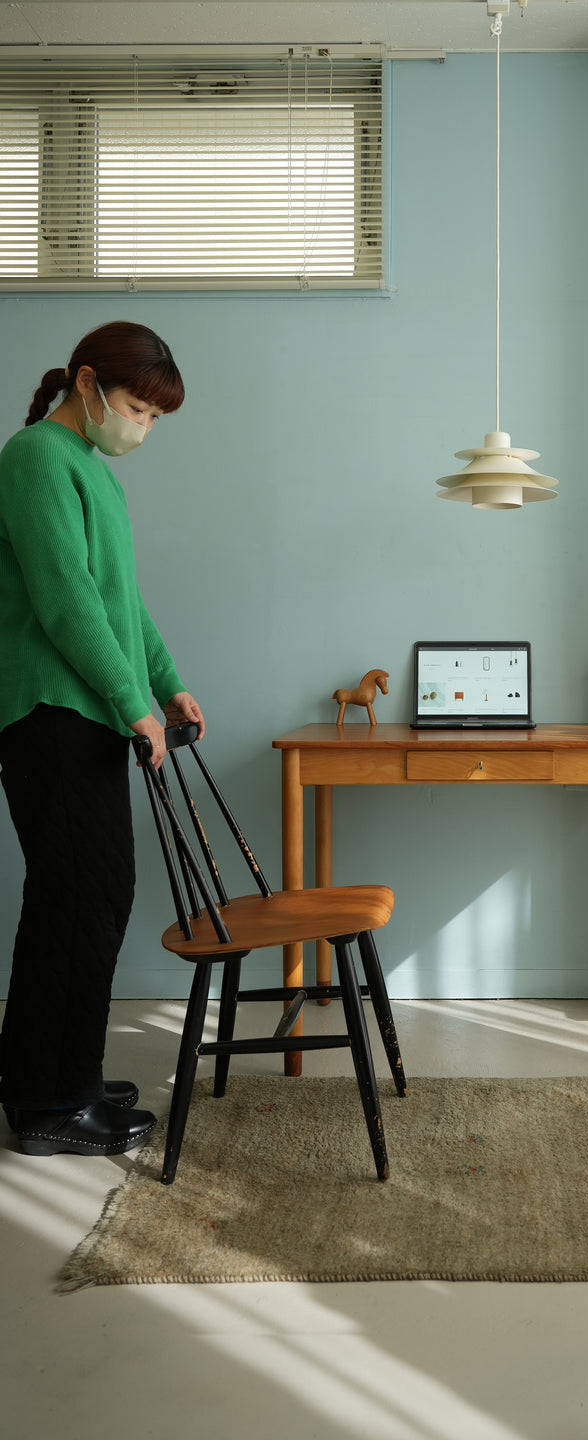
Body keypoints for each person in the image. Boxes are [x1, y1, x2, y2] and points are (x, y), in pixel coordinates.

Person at [0, 320, 204, 1156]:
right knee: (82, 902)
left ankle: (47, 1073)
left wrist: (166, 683)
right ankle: (52, 1102)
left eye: (156, 419)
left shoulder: (93, 471)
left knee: (82, 900)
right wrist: (133, 704)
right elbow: (66, 603)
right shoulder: (37, 457)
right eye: (136, 409)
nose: (142, 429)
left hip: (87, 714)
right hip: (53, 713)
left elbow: (122, 601)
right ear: (86, 385)